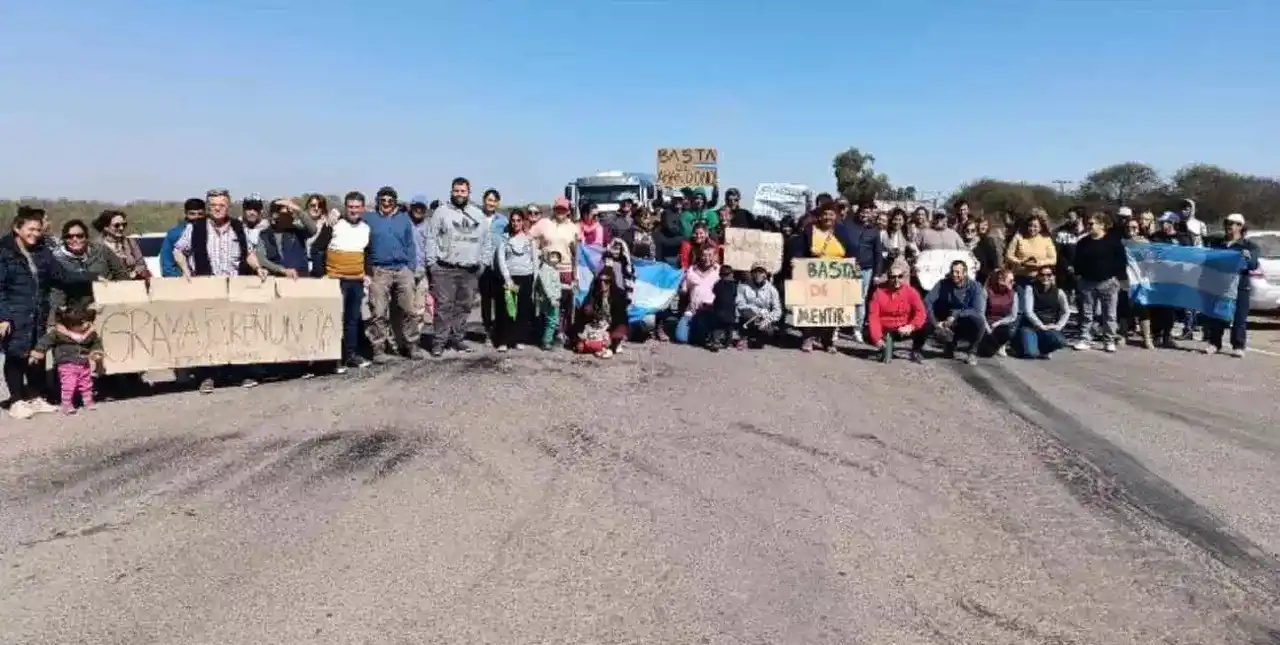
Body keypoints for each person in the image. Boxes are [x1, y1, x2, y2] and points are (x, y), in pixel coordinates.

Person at [1, 207, 96, 418]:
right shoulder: (4, 252)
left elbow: (63, 276)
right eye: (30, 229)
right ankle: (16, 401)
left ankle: (35, 397)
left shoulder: (42, 251)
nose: (35, 233)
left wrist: (93, 277)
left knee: (37, 354)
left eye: (38, 229)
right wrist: (3, 316)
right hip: (14, 313)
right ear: (17, 228)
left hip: (38, 312)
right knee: (16, 355)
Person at [424, 177, 493, 357]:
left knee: (464, 307)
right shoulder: (441, 212)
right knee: (443, 307)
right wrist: (431, 263)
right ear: (451, 191)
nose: (459, 194)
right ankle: (439, 341)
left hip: (469, 270)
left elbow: (487, 242)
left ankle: (458, 338)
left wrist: (483, 264)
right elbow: (431, 237)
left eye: (463, 191)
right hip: (444, 268)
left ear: (469, 193)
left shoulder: (478, 214)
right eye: (456, 190)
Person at [313, 191, 373, 373]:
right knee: (334, 320)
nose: (354, 210)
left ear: (362, 208)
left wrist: (368, 274)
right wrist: (321, 274)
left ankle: (351, 355)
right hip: (335, 279)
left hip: (356, 280)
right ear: (345, 208)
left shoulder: (366, 228)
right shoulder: (334, 225)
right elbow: (317, 249)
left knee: (353, 319)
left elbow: (367, 254)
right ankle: (332, 359)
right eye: (350, 207)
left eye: (357, 207)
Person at [789, 201, 857, 353]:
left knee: (831, 311)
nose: (828, 217)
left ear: (836, 216)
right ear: (819, 216)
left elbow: (852, 250)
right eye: (825, 214)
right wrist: (796, 260)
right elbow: (799, 248)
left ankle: (828, 341)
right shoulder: (809, 229)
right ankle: (808, 338)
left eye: (831, 214)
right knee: (812, 309)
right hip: (813, 276)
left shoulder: (841, 231)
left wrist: (854, 265)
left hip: (835, 278)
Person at [363, 185, 421, 361]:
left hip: (403, 268)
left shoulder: (404, 219)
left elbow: (410, 244)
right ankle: (378, 349)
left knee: (409, 310)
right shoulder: (369, 218)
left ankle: (411, 346)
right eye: (383, 200)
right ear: (378, 201)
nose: (386, 203)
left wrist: (411, 267)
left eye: (390, 200)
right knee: (378, 311)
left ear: (395, 202)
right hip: (379, 269)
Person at [1204, 213, 1259, 358]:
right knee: (1217, 314)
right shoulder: (1218, 245)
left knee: (1239, 316)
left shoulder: (1249, 246)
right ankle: (1214, 343)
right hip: (1221, 284)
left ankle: (1238, 345)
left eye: (1233, 223)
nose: (1229, 226)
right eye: (1227, 223)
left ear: (1241, 227)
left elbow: (1253, 265)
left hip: (1240, 285)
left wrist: (1248, 258)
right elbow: (1209, 262)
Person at [29, 306, 103, 414]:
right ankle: (67, 404)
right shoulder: (59, 333)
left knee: (86, 383)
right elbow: (45, 342)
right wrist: (37, 353)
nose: (87, 325)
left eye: (87, 321)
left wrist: (96, 352)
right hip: (67, 364)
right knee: (68, 385)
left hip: (84, 363)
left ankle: (88, 401)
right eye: (83, 323)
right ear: (72, 325)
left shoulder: (89, 333)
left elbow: (96, 343)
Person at [1071, 212, 1126, 353]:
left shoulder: (1113, 241)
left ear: (1102, 225)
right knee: (1087, 313)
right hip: (1087, 283)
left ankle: (1109, 340)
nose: (1089, 226)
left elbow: (1121, 261)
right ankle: (1085, 338)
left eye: (1092, 224)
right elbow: (1077, 261)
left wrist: (1116, 278)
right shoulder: (1083, 242)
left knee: (1110, 315)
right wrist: (1079, 276)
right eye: (1088, 224)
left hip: (1108, 283)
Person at [50, 219, 129, 312]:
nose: (75, 239)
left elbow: (122, 275)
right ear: (64, 239)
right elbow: (57, 292)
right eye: (69, 236)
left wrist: (114, 298)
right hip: (77, 313)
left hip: (108, 307)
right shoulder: (57, 260)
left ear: (86, 237)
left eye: (80, 236)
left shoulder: (102, 251)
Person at [920, 260, 986, 364]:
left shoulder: (975, 286)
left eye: (958, 272)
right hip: (944, 316)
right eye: (953, 272)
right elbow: (927, 301)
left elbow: (977, 310)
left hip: (964, 318)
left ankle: (972, 352)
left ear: (964, 273)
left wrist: (956, 315)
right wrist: (935, 322)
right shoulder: (942, 283)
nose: (954, 275)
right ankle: (920, 347)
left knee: (980, 321)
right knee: (925, 317)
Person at [867, 259, 927, 363]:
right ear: (888, 278)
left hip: (904, 328)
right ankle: (883, 348)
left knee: (925, 324)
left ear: (903, 277)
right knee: (868, 334)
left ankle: (916, 350)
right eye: (892, 277)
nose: (896, 280)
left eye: (899, 277)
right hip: (886, 329)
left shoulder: (911, 292)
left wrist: (912, 326)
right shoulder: (878, 293)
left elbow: (920, 312)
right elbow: (874, 317)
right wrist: (877, 338)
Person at [495, 209, 538, 352]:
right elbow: (501, 259)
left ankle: (519, 339)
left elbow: (534, 260)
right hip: (510, 278)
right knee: (508, 308)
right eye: (513, 220)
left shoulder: (529, 239)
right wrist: (507, 278)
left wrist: (535, 280)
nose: (515, 223)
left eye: (518, 220)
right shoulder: (505, 239)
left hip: (526, 276)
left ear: (523, 222)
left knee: (523, 309)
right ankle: (503, 341)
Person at [1017, 265, 1071, 359]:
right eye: (1042, 275)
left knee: (1061, 341)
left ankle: (1044, 349)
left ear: (1053, 276)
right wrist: (1041, 326)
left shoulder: (1059, 292)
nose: (1045, 277)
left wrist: (1059, 326)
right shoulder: (1030, 289)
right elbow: (1028, 311)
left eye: (1048, 275)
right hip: (1031, 326)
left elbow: (1066, 311)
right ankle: (1020, 345)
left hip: (1048, 326)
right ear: (1038, 276)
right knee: (1031, 354)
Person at [575, 269, 628, 358]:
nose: (603, 284)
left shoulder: (619, 295)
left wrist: (609, 330)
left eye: (606, 281)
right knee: (579, 346)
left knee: (617, 334)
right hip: (596, 326)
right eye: (601, 281)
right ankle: (600, 347)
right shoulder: (594, 294)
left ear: (611, 282)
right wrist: (588, 310)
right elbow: (584, 315)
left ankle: (609, 345)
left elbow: (620, 317)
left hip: (612, 325)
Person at [478, 189, 506, 343]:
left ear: (497, 203)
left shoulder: (503, 220)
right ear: (484, 200)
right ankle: (487, 330)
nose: (491, 203)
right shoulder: (476, 217)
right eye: (489, 200)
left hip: (498, 265)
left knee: (499, 298)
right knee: (486, 300)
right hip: (482, 265)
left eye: (494, 200)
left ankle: (499, 330)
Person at [680, 246, 722, 346]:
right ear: (700, 256)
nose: (706, 258)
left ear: (715, 256)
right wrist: (681, 285)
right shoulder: (691, 269)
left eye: (710, 255)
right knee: (681, 338)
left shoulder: (720, 271)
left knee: (702, 337)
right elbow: (684, 290)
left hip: (710, 311)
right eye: (704, 255)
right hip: (692, 311)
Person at [734, 262, 782, 349]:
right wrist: (756, 313)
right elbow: (739, 303)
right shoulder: (743, 286)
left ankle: (759, 337)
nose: (758, 275)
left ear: (766, 274)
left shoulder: (772, 289)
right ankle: (744, 337)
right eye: (756, 272)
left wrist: (768, 319)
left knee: (768, 331)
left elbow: (778, 310)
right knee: (746, 313)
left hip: (764, 317)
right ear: (751, 274)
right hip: (749, 315)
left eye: (761, 272)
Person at [92, 210, 149, 279]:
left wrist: (135, 272)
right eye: (117, 225)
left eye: (124, 225)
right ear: (106, 227)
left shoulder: (130, 242)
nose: (121, 228)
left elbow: (141, 264)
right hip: (108, 286)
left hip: (132, 284)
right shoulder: (96, 246)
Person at [1004, 209, 1057, 285]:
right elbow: (1008, 255)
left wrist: (1039, 263)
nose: (1032, 229)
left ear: (1041, 227)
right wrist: (1021, 262)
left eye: (1035, 227)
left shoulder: (1046, 239)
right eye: (1030, 225)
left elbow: (1053, 259)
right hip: (1021, 276)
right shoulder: (1019, 237)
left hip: (1040, 277)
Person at [979, 268, 1020, 357]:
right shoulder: (986, 291)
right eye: (1011, 281)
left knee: (1009, 329)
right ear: (1001, 280)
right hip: (986, 323)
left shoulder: (1014, 294)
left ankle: (1001, 345)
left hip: (1001, 324)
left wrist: (998, 323)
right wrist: (988, 330)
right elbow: (981, 314)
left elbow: (1013, 316)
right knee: (986, 353)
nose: (1013, 283)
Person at [161, 198, 206, 278]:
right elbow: (167, 264)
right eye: (192, 214)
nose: (196, 217)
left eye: (200, 214)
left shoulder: (210, 231)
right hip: (183, 279)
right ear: (186, 214)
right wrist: (179, 277)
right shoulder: (175, 234)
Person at [535, 250, 566, 351]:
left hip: (555, 298)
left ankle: (548, 339)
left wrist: (569, 286)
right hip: (550, 300)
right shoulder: (545, 270)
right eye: (552, 256)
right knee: (552, 320)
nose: (555, 259)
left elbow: (556, 284)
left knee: (553, 320)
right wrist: (551, 298)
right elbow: (546, 286)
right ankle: (546, 341)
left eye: (557, 257)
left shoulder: (554, 269)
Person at [706, 264, 738, 352]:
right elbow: (734, 296)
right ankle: (723, 342)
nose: (726, 276)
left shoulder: (719, 284)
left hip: (722, 310)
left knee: (719, 328)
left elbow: (714, 291)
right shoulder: (734, 285)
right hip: (726, 311)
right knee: (725, 328)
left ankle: (717, 342)